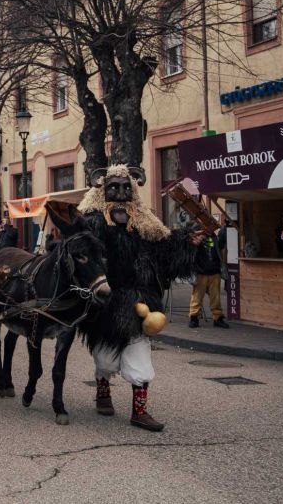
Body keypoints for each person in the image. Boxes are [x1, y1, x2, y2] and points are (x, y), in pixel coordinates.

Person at [78, 165, 201, 432]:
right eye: (114, 187)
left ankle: (139, 411)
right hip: (106, 301)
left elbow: (166, 250)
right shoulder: (94, 223)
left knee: (140, 357)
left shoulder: (146, 224)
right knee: (105, 357)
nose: (120, 194)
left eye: (126, 187)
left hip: (140, 302)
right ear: (103, 191)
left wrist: (188, 241)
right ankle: (103, 391)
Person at [189, 227, 228, 329]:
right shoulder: (197, 237)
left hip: (214, 271)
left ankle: (218, 318)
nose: (211, 229)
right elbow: (190, 249)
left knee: (216, 297)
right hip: (201, 272)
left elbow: (219, 250)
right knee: (197, 296)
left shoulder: (215, 237)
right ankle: (194, 318)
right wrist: (196, 242)